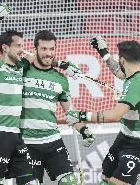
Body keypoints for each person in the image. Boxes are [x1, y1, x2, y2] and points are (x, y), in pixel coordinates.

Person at [66, 36, 140, 185]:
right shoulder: (135, 74)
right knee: (106, 175)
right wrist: (104, 52)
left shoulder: (136, 84)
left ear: (122, 60)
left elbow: (115, 115)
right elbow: (117, 71)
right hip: (125, 137)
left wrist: (81, 115)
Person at [18, 30, 96, 185]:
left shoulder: (60, 79)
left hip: (53, 142)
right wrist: (60, 63)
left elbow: (71, 113)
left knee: (70, 182)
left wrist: (84, 130)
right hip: (26, 143)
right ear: (36, 49)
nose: (48, 53)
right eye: (44, 49)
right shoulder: (22, 71)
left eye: (52, 49)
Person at [0, 4, 39, 185]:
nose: (21, 49)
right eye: (17, 46)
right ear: (5, 48)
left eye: (23, 45)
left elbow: (41, 61)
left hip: (15, 135)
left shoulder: (21, 68)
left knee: (31, 181)